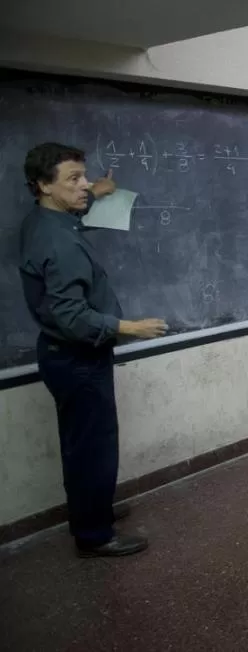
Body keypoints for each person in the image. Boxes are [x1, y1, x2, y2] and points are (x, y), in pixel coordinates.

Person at [18, 143, 169, 558]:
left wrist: (95, 194)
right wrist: (129, 327)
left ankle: (93, 510)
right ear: (44, 186)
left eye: (84, 176)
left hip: (64, 356)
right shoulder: (58, 242)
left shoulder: (48, 220)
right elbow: (71, 315)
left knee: (85, 442)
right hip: (77, 357)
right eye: (74, 179)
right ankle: (94, 534)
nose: (84, 185)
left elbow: (71, 223)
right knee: (92, 447)